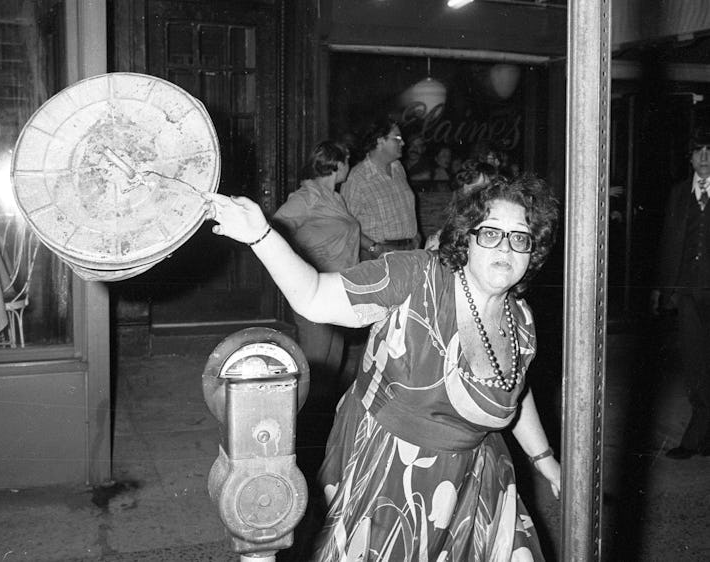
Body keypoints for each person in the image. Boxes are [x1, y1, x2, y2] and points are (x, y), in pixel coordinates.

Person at [204, 173, 561, 560]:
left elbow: (514, 390)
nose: (505, 248)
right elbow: (314, 296)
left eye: (520, 237)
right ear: (466, 238)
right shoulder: (415, 277)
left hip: (477, 478)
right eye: (490, 233)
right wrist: (261, 235)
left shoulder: (520, 319)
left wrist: (545, 460)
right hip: (390, 475)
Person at [272, 140, 359, 402]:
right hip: (315, 287)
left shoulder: (335, 198)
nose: (349, 167)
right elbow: (275, 228)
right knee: (316, 362)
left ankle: (321, 422)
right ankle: (302, 421)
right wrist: (301, 259)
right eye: (347, 161)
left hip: (339, 289)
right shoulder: (307, 197)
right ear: (337, 164)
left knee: (333, 362)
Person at [651, 128, 710, 459]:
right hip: (688, 294)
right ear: (689, 157)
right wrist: (663, 289)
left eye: (709, 150)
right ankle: (699, 435)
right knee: (694, 364)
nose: (703, 158)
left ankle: (697, 437)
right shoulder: (678, 194)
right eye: (697, 151)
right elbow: (669, 244)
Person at [342, 118, 421, 260]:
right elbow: (345, 224)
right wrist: (373, 248)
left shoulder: (398, 168)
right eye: (397, 138)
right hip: (378, 256)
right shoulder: (357, 177)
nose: (402, 143)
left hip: (409, 252)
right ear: (380, 141)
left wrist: (415, 235)